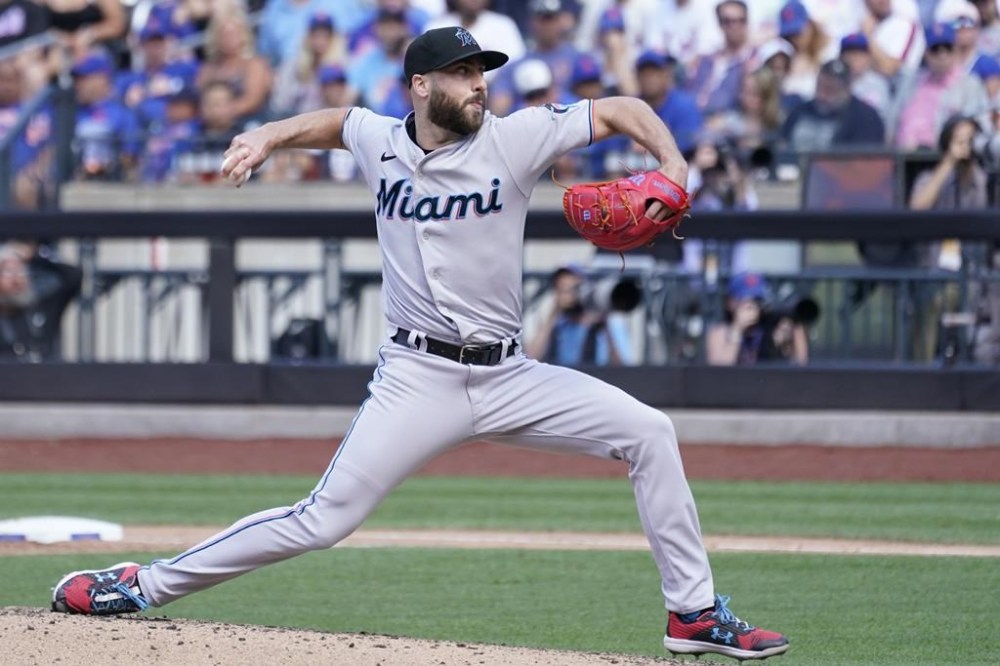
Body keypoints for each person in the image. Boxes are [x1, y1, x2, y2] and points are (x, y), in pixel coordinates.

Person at [50, 26, 790, 662]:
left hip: (510, 375)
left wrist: (673, 165)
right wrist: (268, 135)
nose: (478, 86)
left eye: (482, 73)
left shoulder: (516, 137)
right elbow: (339, 120)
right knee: (323, 519)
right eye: (464, 75)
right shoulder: (381, 140)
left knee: (649, 432)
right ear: (420, 86)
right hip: (417, 378)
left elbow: (623, 108)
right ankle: (140, 585)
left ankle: (692, 614)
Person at [526, 266, 634, 366]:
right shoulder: (558, 325)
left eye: (575, 288)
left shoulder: (610, 323)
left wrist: (605, 325)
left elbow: (622, 367)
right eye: (563, 290)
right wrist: (554, 313)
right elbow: (530, 359)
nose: (570, 295)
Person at [706, 272, 809, 366]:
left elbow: (800, 363)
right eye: (747, 301)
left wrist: (795, 325)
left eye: (758, 301)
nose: (754, 307)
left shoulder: (769, 327)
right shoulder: (721, 332)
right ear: (731, 303)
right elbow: (720, 370)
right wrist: (737, 328)